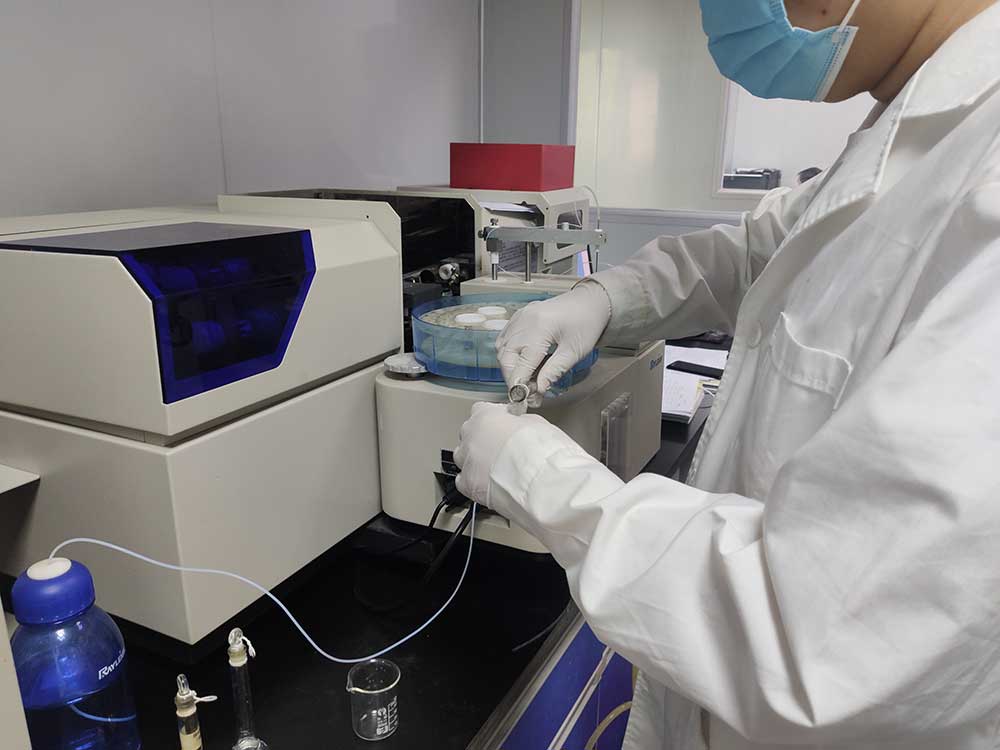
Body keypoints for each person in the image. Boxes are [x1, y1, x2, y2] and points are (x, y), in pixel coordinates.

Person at [453, 0, 1000, 748]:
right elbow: (754, 252)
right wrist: (603, 297)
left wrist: (539, 477)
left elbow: (819, 641)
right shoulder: (909, 130)